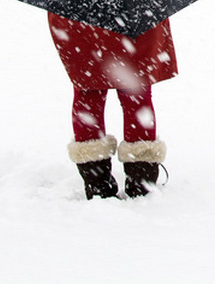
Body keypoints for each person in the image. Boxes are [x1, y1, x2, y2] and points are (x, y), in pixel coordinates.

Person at [48, 12, 177, 199]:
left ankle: (97, 183)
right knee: (136, 95)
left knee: (88, 95)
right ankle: (141, 181)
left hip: (79, 14)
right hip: (135, 13)